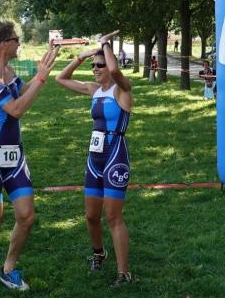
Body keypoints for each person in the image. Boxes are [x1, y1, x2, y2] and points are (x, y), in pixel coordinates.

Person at [0, 21, 58, 297]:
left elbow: (22, 91)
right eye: (15, 38)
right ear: (3, 44)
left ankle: (8, 269)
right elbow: (17, 109)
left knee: (26, 216)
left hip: (14, 155)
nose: (19, 42)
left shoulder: (8, 71)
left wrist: (43, 71)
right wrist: (40, 79)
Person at [55, 30, 136, 287]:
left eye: (100, 65)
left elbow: (116, 71)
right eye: (93, 65)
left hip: (115, 156)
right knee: (91, 216)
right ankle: (99, 253)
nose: (96, 69)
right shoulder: (94, 90)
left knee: (113, 216)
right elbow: (60, 78)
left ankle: (124, 273)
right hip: (94, 158)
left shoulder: (122, 90)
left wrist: (104, 45)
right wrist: (82, 56)